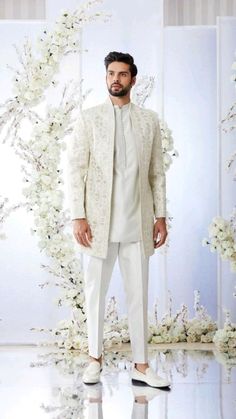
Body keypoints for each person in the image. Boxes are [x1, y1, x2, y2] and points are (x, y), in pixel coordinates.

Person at [67, 51, 171, 388]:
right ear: (105, 77)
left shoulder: (148, 120)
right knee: (95, 293)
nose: (116, 79)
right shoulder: (89, 119)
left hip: (137, 224)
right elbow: (76, 170)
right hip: (98, 224)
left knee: (138, 295)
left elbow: (157, 172)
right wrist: (78, 216)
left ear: (133, 79)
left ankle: (141, 366)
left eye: (123, 74)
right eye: (111, 73)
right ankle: (94, 359)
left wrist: (160, 216)